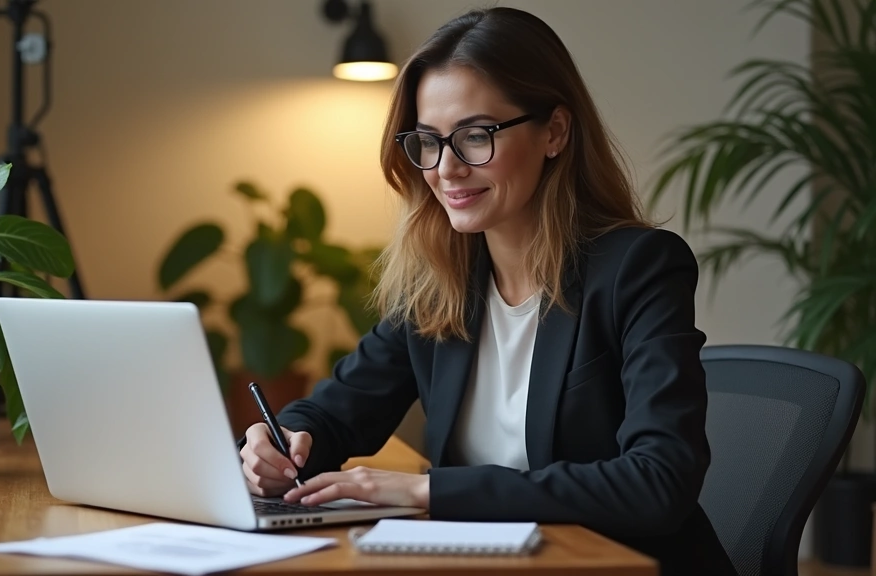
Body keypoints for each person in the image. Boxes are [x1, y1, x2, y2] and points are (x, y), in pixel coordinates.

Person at [238, 7, 736, 576]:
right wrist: (281, 444)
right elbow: (334, 414)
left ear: (554, 132)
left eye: (475, 136)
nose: (446, 168)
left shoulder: (638, 268)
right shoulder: (439, 283)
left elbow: (658, 481)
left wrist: (430, 492)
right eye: (428, 140)